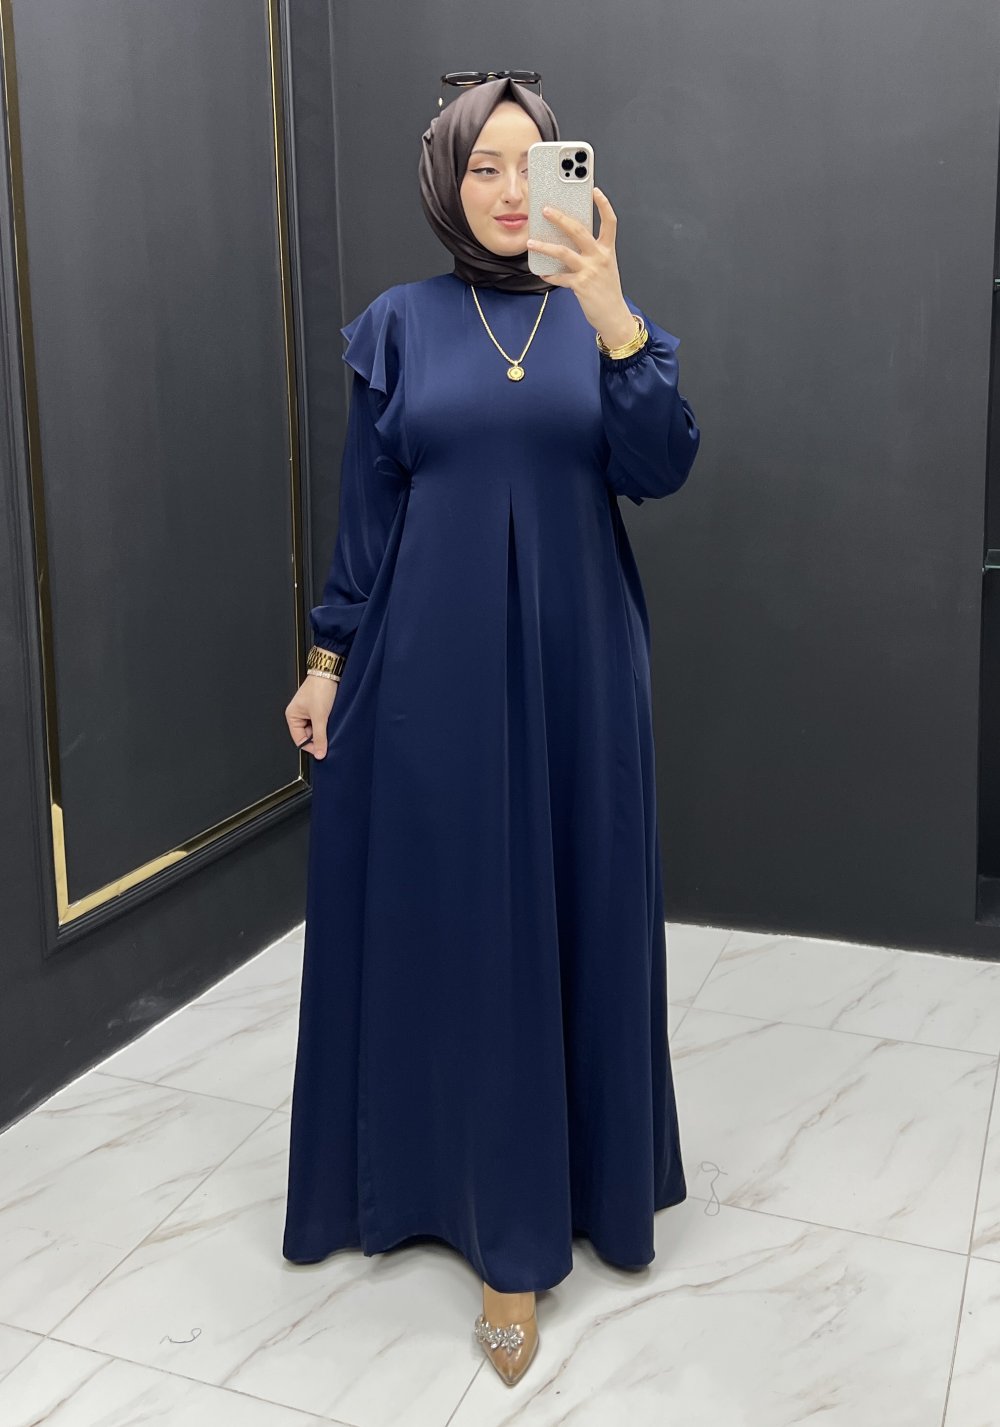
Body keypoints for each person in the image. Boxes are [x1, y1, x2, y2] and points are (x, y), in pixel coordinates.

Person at [281, 73, 701, 1388]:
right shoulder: (399, 325)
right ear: (446, 182)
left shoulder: (602, 317)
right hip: (434, 674)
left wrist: (615, 316)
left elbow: (663, 464)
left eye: (537, 163)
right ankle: (482, 1220)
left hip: (579, 670)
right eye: (485, 167)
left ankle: (577, 1190)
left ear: (572, 174)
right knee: (463, 926)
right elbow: (367, 513)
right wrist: (327, 658)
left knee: (575, 909)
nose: (516, 191)